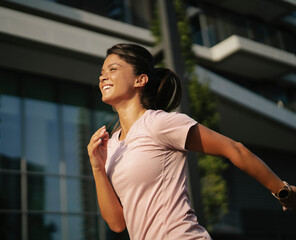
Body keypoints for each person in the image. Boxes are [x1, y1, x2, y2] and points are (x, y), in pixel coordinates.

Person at [87, 43, 296, 240]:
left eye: (112, 69)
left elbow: (234, 149)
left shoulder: (159, 123)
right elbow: (117, 224)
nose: (103, 77)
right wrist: (97, 167)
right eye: (102, 73)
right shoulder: (112, 146)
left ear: (140, 80)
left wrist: (282, 191)